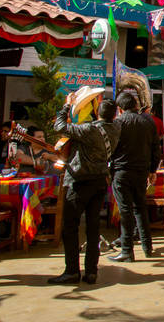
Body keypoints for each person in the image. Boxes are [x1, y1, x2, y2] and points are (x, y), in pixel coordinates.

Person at [48, 94, 120, 285]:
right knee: (93, 227)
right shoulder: (115, 128)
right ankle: (91, 271)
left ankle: (72, 270)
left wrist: (67, 106)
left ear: (97, 112)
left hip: (80, 181)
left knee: (70, 226)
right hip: (99, 182)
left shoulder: (89, 129)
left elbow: (59, 126)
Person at [108, 91, 161, 264]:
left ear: (120, 109)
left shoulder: (118, 123)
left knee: (125, 211)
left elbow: (111, 149)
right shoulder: (148, 121)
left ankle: (126, 251)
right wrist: (153, 170)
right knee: (140, 208)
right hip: (141, 171)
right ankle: (147, 247)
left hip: (122, 171)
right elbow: (156, 148)